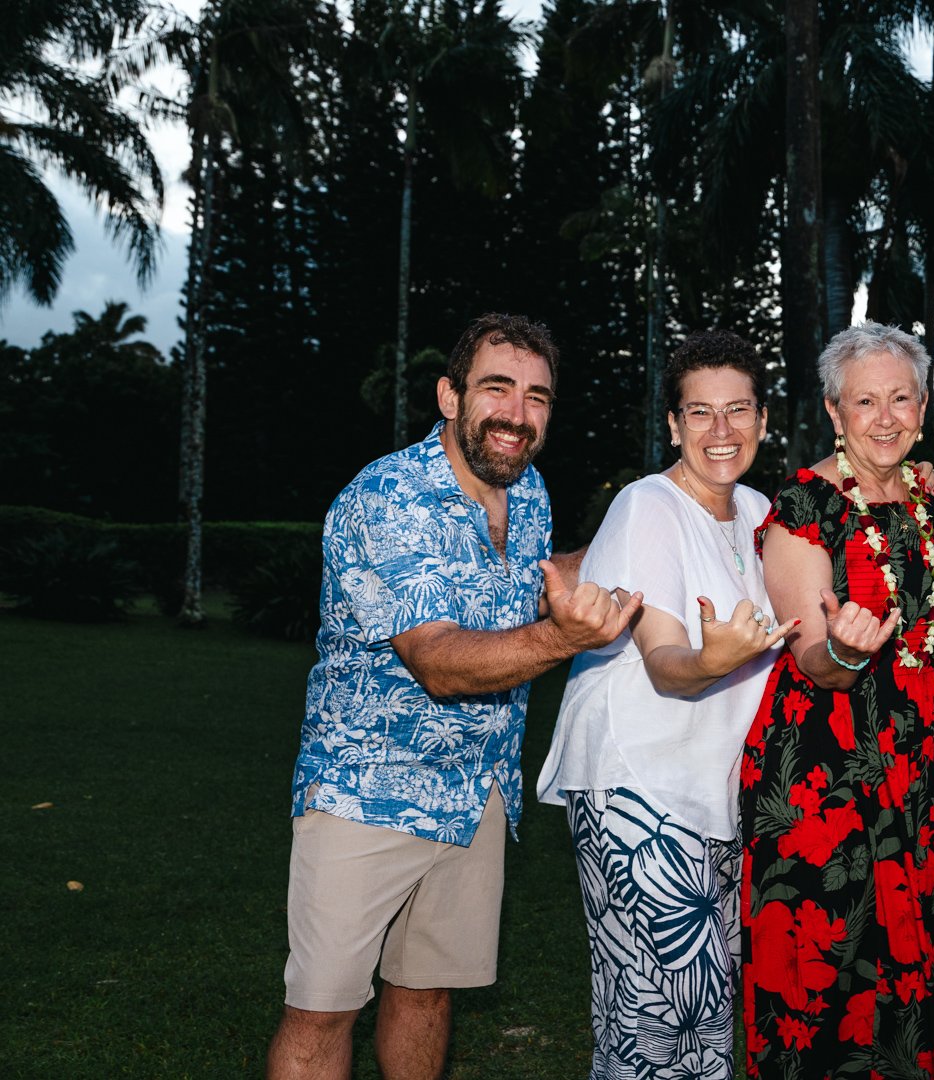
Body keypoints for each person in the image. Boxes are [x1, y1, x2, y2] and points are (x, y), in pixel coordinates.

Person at [267, 313, 640, 1080]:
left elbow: (541, 582)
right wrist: (565, 639)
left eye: (537, 396)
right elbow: (437, 661)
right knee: (322, 1009)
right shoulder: (388, 499)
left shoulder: (526, 488)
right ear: (449, 395)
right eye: (496, 388)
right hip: (366, 792)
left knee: (428, 994)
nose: (516, 413)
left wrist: (659, 525)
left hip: (476, 792)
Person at [534, 330, 797, 1079]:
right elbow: (666, 663)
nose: (722, 432)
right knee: (666, 1017)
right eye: (700, 413)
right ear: (674, 426)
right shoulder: (646, 505)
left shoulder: (757, 512)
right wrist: (710, 661)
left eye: (737, 411)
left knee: (696, 1018)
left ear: (762, 420)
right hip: (637, 785)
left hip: (711, 789)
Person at [739, 323, 934, 1079]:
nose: (884, 417)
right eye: (864, 401)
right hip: (828, 772)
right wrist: (846, 646)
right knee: (829, 973)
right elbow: (813, 658)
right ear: (834, 412)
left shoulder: (925, 495)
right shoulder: (802, 507)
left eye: (900, 398)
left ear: (922, 406)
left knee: (918, 969)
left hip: (914, 768)